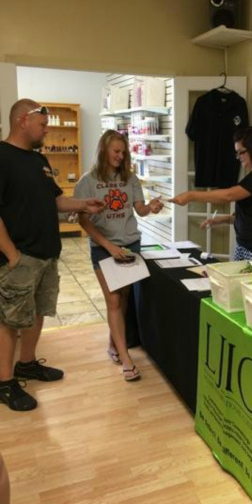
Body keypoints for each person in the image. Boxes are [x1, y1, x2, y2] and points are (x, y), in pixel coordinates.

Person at [0, 99, 105, 412]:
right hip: (20, 257)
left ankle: (27, 364)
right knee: (9, 320)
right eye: (43, 125)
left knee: (38, 312)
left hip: (47, 254)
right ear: (22, 120)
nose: (47, 130)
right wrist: (12, 255)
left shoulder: (39, 160)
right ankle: (4, 384)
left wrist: (84, 204)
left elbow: (56, 201)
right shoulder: (2, 157)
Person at [75, 130, 165, 382]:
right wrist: (108, 246)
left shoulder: (130, 178)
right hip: (103, 248)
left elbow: (140, 210)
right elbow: (84, 221)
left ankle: (114, 343)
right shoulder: (87, 181)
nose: (120, 156)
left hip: (130, 245)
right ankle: (127, 360)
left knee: (123, 297)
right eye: (116, 151)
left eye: (123, 152)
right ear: (103, 150)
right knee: (114, 300)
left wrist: (151, 208)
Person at [170, 127, 252, 261]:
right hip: (245, 245)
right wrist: (221, 220)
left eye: (241, 152)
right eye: (237, 153)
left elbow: (229, 195)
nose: (238, 157)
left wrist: (191, 196)